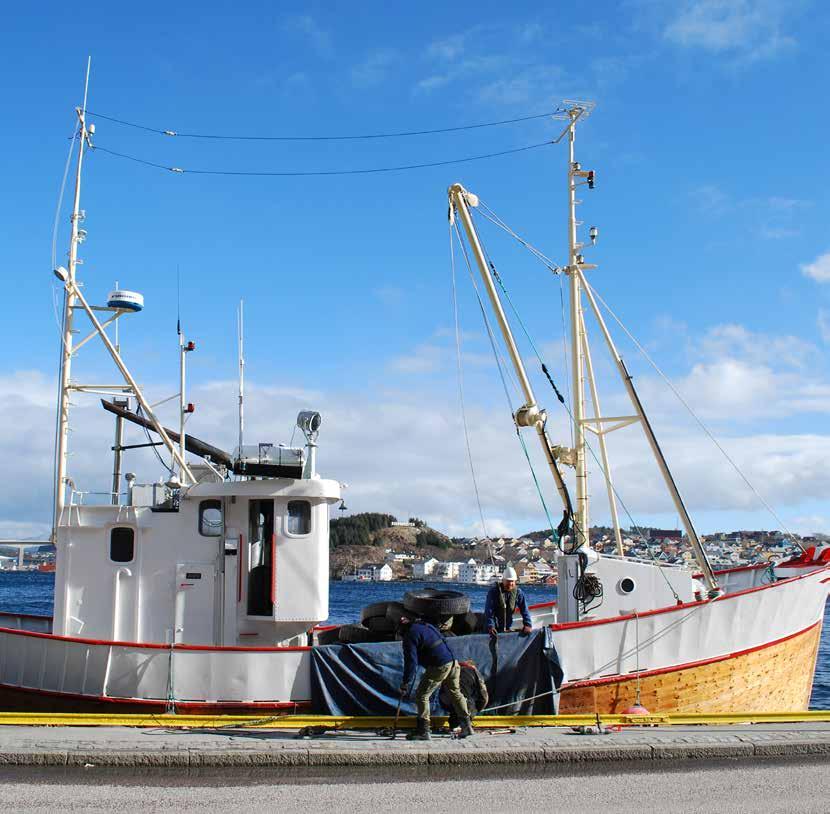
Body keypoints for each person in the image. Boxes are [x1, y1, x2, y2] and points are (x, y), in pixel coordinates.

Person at [399, 614, 473, 740]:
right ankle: (467, 726)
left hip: (440, 665)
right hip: (453, 661)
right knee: (455, 692)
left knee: (422, 695)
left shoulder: (410, 635)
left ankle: (423, 731)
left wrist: (405, 682)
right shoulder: (425, 625)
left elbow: (411, 662)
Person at [438, 660, 489, 730]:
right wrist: (477, 709)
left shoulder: (450, 669)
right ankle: (465, 725)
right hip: (465, 703)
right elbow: (484, 696)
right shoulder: (474, 672)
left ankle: (454, 723)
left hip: (446, 701)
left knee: (456, 704)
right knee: (469, 704)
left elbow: (441, 691)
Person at [484, 566, 532, 635]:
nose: (510, 584)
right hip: (492, 629)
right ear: (503, 580)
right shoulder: (493, 592)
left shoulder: (518, 593)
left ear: (515, 581)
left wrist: (528, 625)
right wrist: (491, 626)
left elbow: (524, 610)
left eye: (512, 581)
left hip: (507, 627)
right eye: (508, 581)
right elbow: (489, 611)